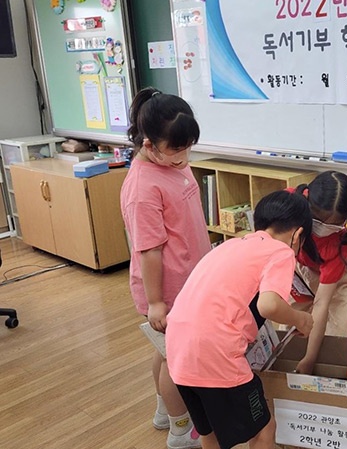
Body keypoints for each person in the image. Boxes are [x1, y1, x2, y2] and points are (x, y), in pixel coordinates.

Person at [165, 190, 316, 449]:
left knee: (209, 432)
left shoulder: (232, 244)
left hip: (177, 350)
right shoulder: (280, 252)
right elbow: (268, 304)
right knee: (264, 429)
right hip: (215, 352)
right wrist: (300, 320)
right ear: (298, 234)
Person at [121, 87, 210, 449]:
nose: (184, 156)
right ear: (148, 144)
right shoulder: (142, 187)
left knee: (165, 351)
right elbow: (150, 251)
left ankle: (163, 411)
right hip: (167, 289)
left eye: (188, 146)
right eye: (176, 149)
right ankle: (180, 429)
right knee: (179, 360)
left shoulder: (174, 164)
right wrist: (156, 302)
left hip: (189, 280)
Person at [292, 171, 347, 375]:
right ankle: (294, 359)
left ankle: (324, 370)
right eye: (318, 220)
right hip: (301, 268)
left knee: (335, 333)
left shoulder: (337, 247)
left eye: (333, 224)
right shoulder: (292, 204)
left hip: (337, 279)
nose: (323, 227)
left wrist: (310, 360)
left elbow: (321, 305)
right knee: (294, 323)